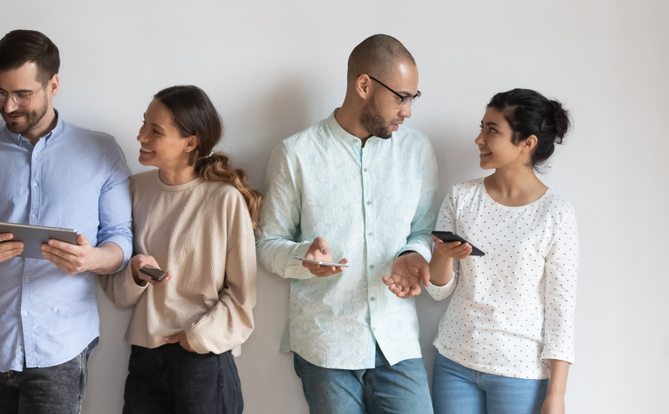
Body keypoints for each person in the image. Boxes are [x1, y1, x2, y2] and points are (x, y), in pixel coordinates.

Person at [0, 29, 133, 414]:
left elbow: (120, 239)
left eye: (22, 94)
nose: (9, 105)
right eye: (0, 92)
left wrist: (92, 260)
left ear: (53, 85)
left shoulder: (101, 151)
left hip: (61, 347)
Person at [255, 34, 439, 414]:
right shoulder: (296, 154)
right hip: (326, 342)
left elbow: (423, 229)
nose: (407, 112)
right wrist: (301, 257)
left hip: (397, 340)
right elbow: (267, 242)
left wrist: (412, 252)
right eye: (401, 97)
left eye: (413, 99)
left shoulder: (417, 151)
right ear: (364, 85)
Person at [104, 85, 260, 414]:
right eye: (143, 123)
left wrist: (196, 338)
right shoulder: (133, 190)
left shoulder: (224, 199)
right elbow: (116, 292)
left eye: (155, 130)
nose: (140, 136)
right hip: (145, 359)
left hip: (204, 358)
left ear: (190, 143)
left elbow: (243, 299)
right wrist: (135, 274)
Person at [423, 89, 577, 414]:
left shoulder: (556, 214)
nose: (479, 139)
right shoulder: (460, 198)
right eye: (482, 127)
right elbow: (438, 292)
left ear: (527, 143)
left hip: (521, 371)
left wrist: (557, 395)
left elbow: (561, 310)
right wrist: (442, 255)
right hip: (455, 362)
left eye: (492, 130)